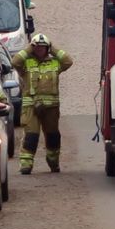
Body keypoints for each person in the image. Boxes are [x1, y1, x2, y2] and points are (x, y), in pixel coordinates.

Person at [18, 32, 73, 174]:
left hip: (51, 108)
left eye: (43, 47)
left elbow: (68, 61)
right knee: (31, 136)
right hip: (31, 107)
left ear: (47, 48)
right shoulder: (26, 63)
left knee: (53, 136)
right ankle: (26, 164)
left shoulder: (54, 62)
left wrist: (52, 47)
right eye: (37, 47)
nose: (39, 49)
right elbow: (15, 61)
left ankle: (53, 161)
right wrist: (29, 48)